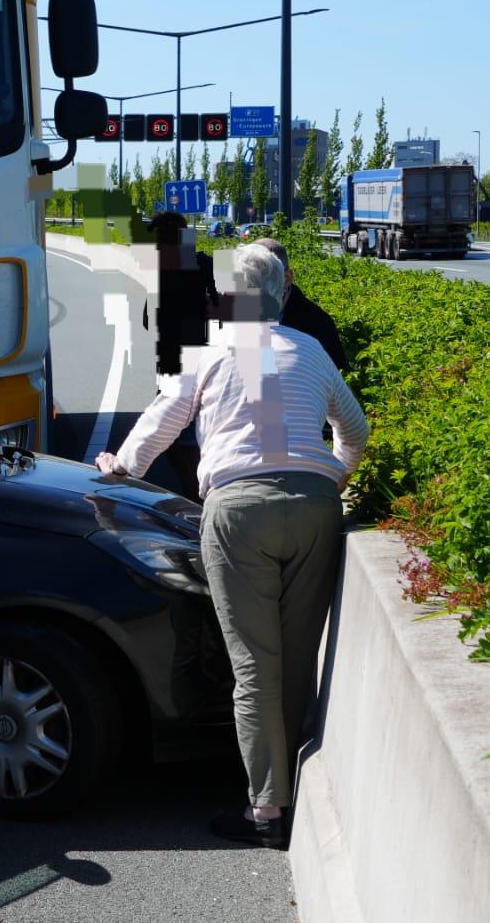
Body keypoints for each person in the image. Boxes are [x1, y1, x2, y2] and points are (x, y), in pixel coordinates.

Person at [94, 244, 368, 849]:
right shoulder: (313, 350)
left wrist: (124, 466)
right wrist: (335, 475)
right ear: (283, 293)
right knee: (297, 659)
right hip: (316, 509)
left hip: (239, 511)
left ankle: (266, 812)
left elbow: (167, 415)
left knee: (253, 668)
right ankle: (294, 784)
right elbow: (356, 429)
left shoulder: (213, 349)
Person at [250, 237, 348, 372]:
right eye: (249, 277)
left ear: (287, 278)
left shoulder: (318, 324)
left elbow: (338, 375)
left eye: (264, 278)